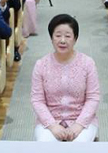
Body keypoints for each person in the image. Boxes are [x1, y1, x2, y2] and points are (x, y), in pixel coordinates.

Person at [30, 14, 101, 142]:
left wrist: (78, 125)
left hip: (82, 120)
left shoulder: (87, 63)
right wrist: (52, 126)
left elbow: (93, 98)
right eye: (58, 36)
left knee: (79, 146)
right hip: (50, 120)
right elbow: (37, 100)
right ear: (51, 38)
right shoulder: (41, 65)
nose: (62, 40)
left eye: (68, 36)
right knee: (45, 145)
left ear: (75, 39)